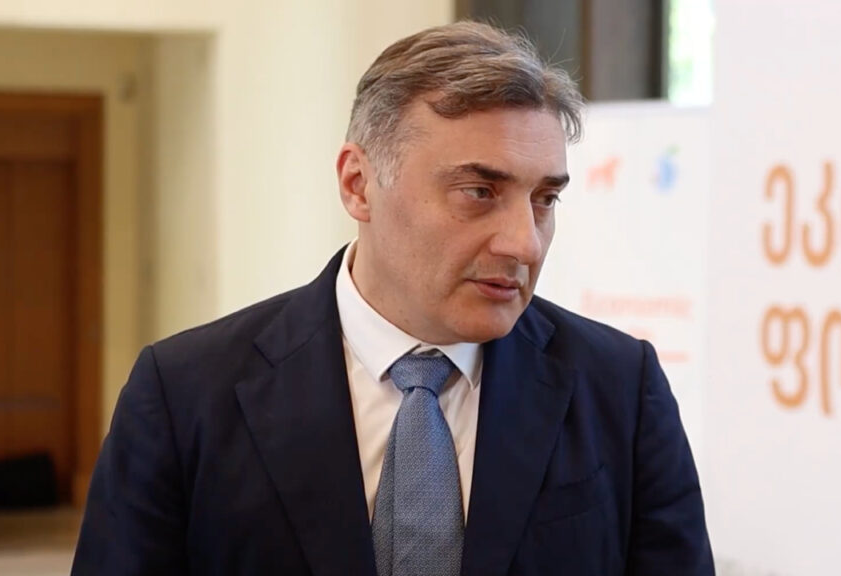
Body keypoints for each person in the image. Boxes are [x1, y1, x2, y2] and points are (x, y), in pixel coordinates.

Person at [72, 21, 713, 576]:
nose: (525, 242)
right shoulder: (186, 395)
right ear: (358, 185)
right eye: (479, 192)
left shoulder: (619, 389)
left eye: (544, 199)